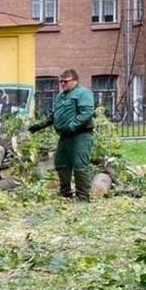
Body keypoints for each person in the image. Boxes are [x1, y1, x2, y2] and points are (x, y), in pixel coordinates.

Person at [30, 68, 96, 201]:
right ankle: (65, 193)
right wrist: (37, 127)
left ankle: (83, 197)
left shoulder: (83, 93)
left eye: (65, 82)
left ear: (75, 81)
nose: (62, 84)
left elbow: (86, 113)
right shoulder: (61, 96)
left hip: (80, 135)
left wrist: (72, 125)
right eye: (61, 82)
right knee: (61, 162)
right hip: (65, 136)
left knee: (80, 165)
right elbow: (55, 115)